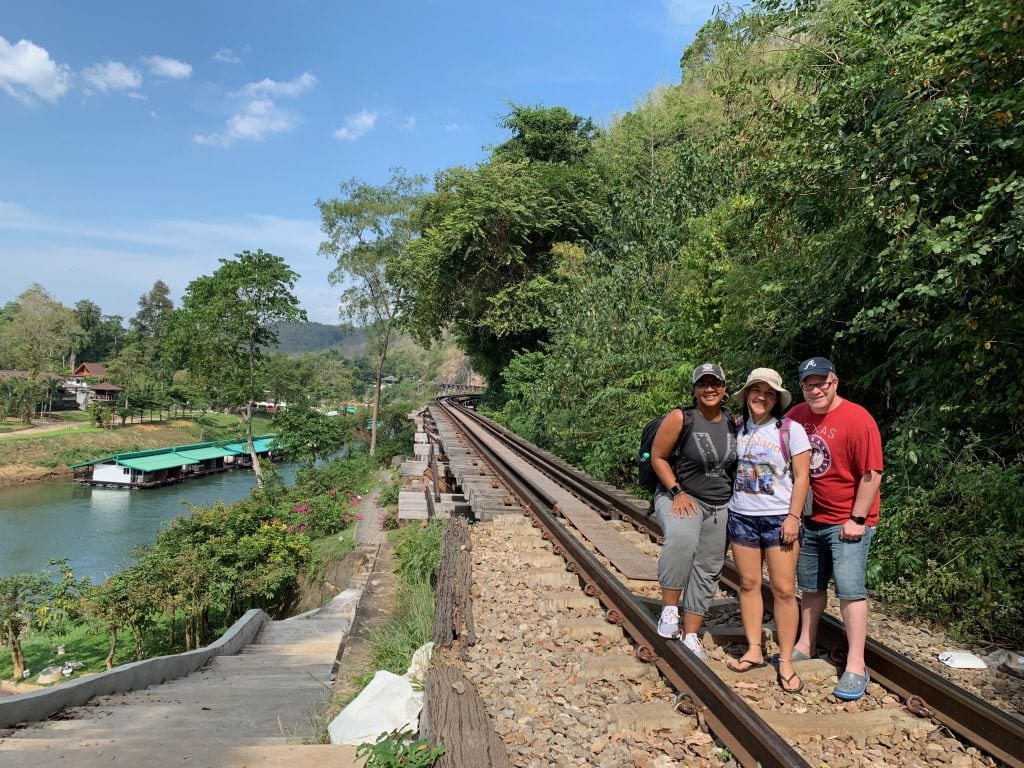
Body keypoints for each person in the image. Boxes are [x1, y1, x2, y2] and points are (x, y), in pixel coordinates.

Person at [788, 356, 883, 701]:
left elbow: (872, 474)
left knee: (850, 590)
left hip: (848, 521)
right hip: (810, 519)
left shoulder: (858, 419)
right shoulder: (796, 416)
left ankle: (856, 664)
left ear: (834, 382)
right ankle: (805, 643)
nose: (815, 390)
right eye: (808, 384)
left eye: (821, 383)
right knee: (810, 587)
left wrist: (857, 520)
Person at [726, 368, 810, 693]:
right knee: (748, 584)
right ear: (747, 394)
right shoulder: (737, 428)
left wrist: (794, 516)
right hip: (742, 516)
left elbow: (802, 477)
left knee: (784, 590)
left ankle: (786, 660)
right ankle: (754, 649)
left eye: (768, 392)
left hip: (779, 519)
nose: (761, 397)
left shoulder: (791, 430)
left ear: (776, 398)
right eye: (755, 390)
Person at [652, 363, 738, 660]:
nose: (709, 389)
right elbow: (658, 457)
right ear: (694, 389)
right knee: (681, 540)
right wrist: (677, 491)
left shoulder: (733, 423)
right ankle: (669, 611)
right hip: (681, 496)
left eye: (715, 383)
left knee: (709, 568)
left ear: (725, 389)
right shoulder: (681, 417)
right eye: (703, 384)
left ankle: (691, 635)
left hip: (720, 505)